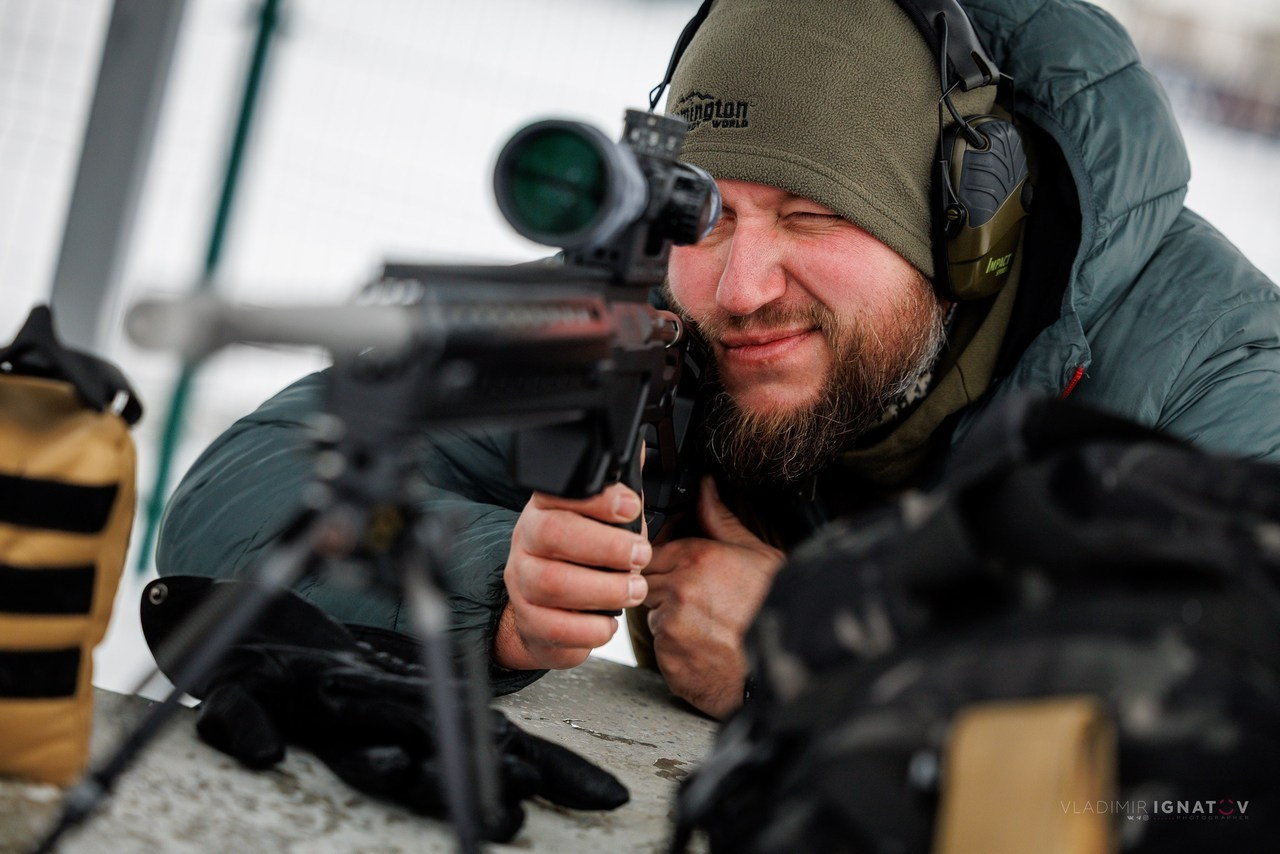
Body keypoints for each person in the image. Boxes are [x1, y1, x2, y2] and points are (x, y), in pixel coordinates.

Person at [157, 0, 1280, 720]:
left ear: (960, 226)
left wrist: (828, 655)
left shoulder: (1207, 369)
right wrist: (492, 579)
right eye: (708, 215)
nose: (738, 291)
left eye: (807, 215)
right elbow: (238, 494)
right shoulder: (651, 305)